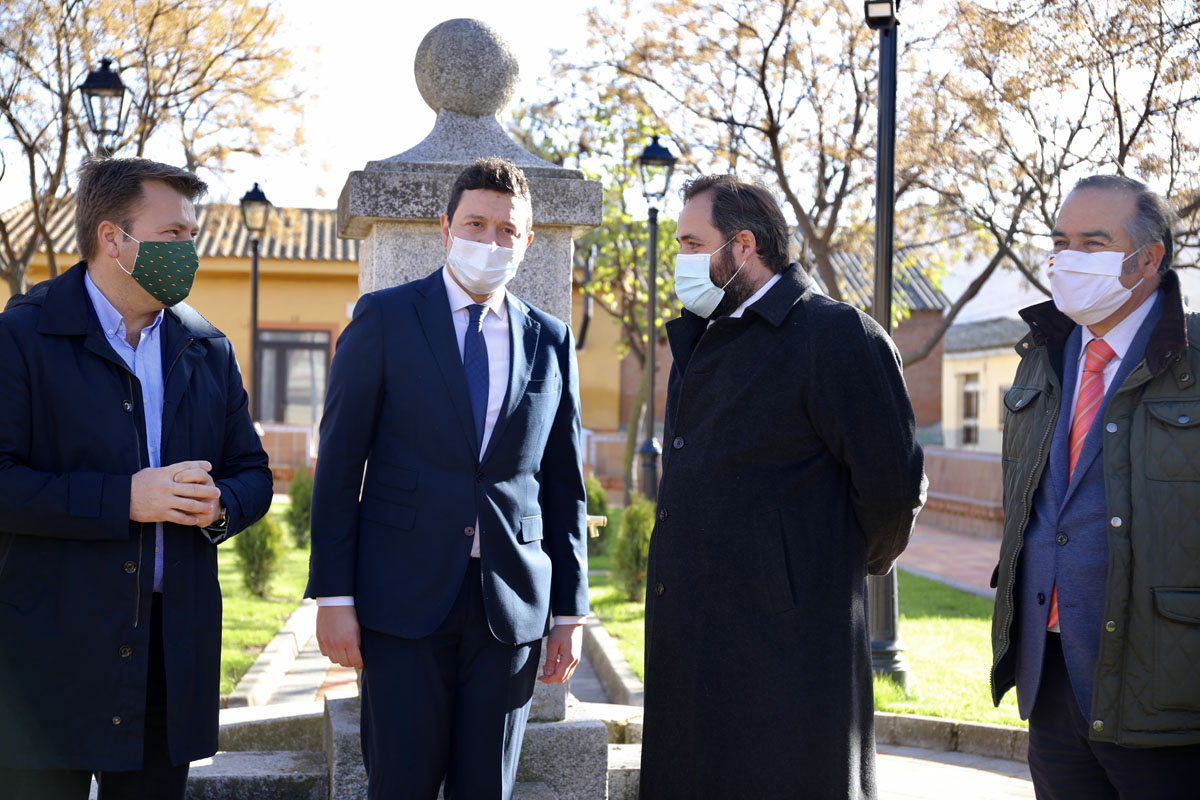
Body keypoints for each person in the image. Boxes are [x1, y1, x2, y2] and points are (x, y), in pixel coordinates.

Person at [307, 156, 589, 799]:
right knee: (400, 784)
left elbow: (563, 486)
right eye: (475, 224)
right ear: (445, 229)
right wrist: (334, 597)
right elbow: (341, 463)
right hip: (400, 600)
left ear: (527, 241)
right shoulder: (382, 319)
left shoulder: (550, 339)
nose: (489, 242)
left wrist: (571, 611)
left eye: (506, 231)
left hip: (509, 603)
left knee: (486, 788)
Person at [638, 174, 927, 799]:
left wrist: (805, 574)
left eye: (692, 243)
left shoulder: (836, 336)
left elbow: (892, 490)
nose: (681, 259)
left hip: (788, 651)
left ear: (743, 246)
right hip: (692, 646)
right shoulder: (705, 334)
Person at [0, 157, 273, 799]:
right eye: (173, 235)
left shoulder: (207, 347)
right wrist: (126, 498)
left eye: (192, 236)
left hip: (169, 656)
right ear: (112, 238)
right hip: (49, 654)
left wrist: (220, 504)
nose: (191, 251)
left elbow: (253, 474)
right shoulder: (21, 338)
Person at [990, 175, 1200, 798]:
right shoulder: (1043, 355)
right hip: (1053, 678)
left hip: (1166, 688)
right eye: (1061, 241)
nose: (1069, 258)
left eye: (1093, 242)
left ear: (1148, 258)